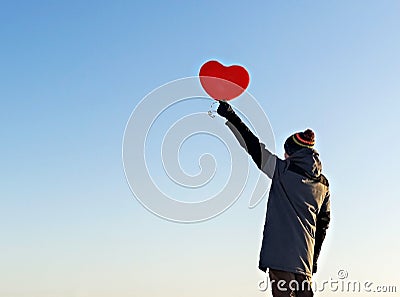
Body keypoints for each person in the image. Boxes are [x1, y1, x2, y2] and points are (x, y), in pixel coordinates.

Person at [216, 101, 331, 297]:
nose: (283, 155)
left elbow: (252, 145)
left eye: (286, 152)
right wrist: (313, 260)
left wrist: (230, 115)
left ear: (292, 154)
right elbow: (323, 224)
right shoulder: (323, 185)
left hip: (280, 259)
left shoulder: (282, 171)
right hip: (305, 262)